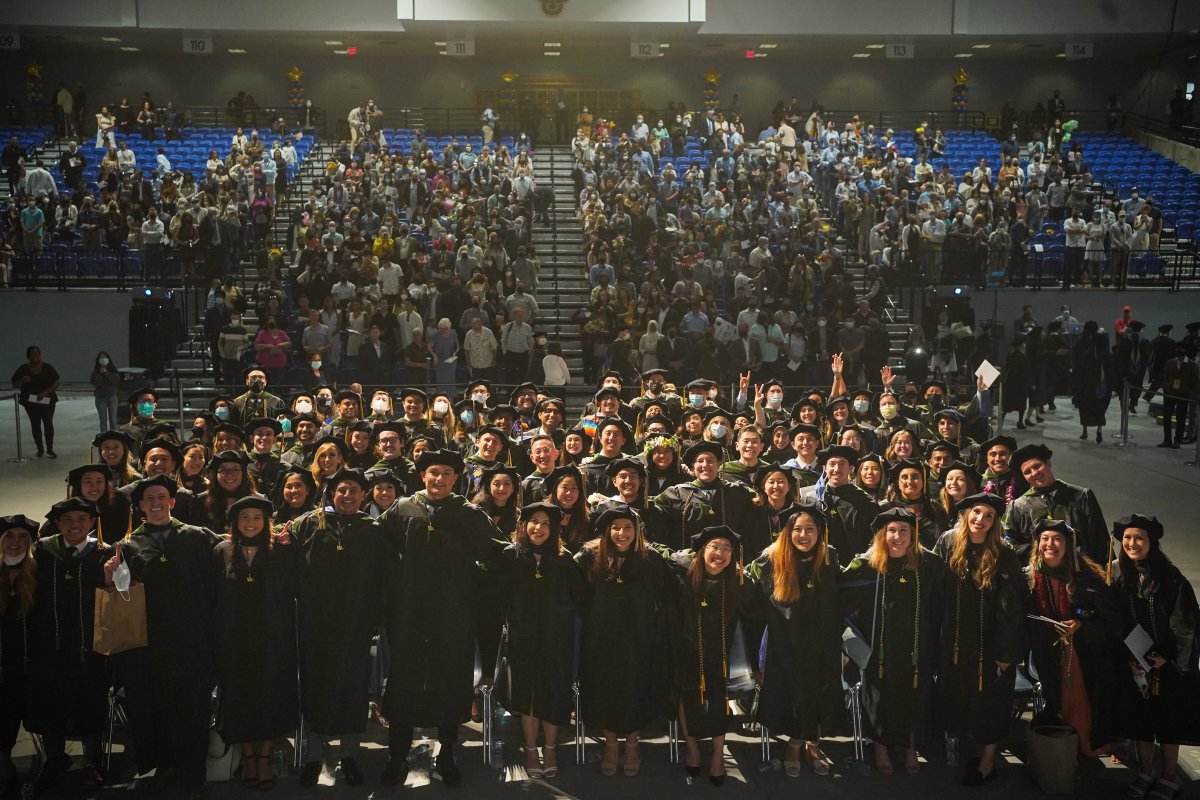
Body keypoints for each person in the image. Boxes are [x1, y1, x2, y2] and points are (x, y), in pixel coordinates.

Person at [376, 450, 506, 788]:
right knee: (404, 682)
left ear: (455, 478)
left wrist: (472, 588)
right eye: (433, 472)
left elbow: (499, 552)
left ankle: (448, 754)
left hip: (453, 615)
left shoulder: (468, 513)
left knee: (451, 682)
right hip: (409, 614)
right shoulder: (402, 509)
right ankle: (396, 757)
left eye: (447, 473)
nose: (439, 479)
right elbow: (379, 551)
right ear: (423, 475)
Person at [102, 475, 220, 799]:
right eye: (148, 499)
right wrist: (112, 579)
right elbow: (124, 597)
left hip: (194, 639)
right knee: (159, 708)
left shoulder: (197, 537)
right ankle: (168, 768)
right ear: (140, 507)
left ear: (172, 502)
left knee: (194, 709)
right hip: (149, 645)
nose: (155, 503)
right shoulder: (128, 546)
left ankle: (195, 774)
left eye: (161, 497)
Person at [289, 468, 385, 788]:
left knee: (351, 690)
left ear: (364, 495)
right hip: (314, 624)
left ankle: (349, 756)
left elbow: (383, 579)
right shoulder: (309, 523)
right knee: (316, 688)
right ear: (332, 493)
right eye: (341, 490)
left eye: (354, 490)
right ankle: (313, 757)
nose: (347, 495)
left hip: (355, 625)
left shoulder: (374, 529)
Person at [841, 507, 945, 776]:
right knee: (878, 696)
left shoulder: (929, 565)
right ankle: (881, 747)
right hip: (878, 647)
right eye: (891, 530)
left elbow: (942, 606)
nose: (897, 536)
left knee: (916, 695)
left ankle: (910, 747)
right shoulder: (866, 566)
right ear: (881, 534)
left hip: (916, 645)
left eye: (904, 530)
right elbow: (841, 602)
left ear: (913, 534)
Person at [575, 505, 673, 777]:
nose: (621, 533)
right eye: (615, 528)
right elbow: (574, 594)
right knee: (604, 689)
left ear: (637, 530)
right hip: (599, 637)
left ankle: (631, 745)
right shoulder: (588, 556)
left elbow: (664, 595)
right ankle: (610, 745)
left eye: (627, 527)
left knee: (634, 689)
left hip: (638, 637)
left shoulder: (650, 558)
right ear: (607, 531)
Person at [933, 493, 1024, 787]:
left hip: (991, 643)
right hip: (956, 642)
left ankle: (987, 762)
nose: (980, 520)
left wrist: (1006, 650)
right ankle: (962, 749)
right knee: (958, 695)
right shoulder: (948, 542)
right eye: (976, 512)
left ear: (995, 521)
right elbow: (933, 586)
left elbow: (1012, 606)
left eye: (988, 516)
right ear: (966, 514)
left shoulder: (1003, 552)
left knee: (991, 702)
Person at [746, 507, 843, 779]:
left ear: (819, 533)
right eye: (798, 529)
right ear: (787, 532)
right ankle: (795, 744)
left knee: (820, 691)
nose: (804, 535)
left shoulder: (829, 556)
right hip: (785, 642)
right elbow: (752, 598)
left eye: (810, 529)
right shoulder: (771, 559)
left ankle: (813, 744)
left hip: (823, 640)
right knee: (795, 692)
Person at [212, 496, 298, 791]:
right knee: (240, 700)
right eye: (244, 517)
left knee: (270, 698)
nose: (251, 523)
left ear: (266, 523)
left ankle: (264, 756)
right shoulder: (222, 551)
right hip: (233, 642)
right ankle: (248, 757)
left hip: (273, 640)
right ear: (235, 522)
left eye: (257, 518)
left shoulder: (281, 553)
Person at [1111, 514, 1200, 800]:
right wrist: (1128, 652)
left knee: (1168, 719)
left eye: (1139, 538)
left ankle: (1170, 774)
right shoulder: (1119, 573)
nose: (1132, 543)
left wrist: (1168, 658)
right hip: (1136, 658)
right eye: (1127, 538)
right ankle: (1146, 770)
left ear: (1152, 542)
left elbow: (1185, 624)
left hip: (1167, 661)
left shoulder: (1171, 579)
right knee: (1141, 716)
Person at [494, 501, 585, 779]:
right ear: (523, 525)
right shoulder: (511, 555)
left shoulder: (564, 558)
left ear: (554, 529)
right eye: (534, 521)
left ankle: (550, 748)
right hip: (522, 637)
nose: (539, 528)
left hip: (557, 638)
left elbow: (580, 598)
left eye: (547, 523)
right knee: (528, 694)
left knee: (554, 693)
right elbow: (498, 597)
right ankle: (531, 749)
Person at [26, 499, 112, 791]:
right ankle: (54, 758)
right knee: (51, 703)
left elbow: (120, 595)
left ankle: (94, 761)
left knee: (90, 701)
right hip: (49, 645)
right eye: (67, 520)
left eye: (81, 519)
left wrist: (115, 578)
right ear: (57, 523)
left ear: (91, 522)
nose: (75, 525)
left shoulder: (104, 553)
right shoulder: (42, 551)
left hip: (90, 647)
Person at [1026, 519, 1121, 758]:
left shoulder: (1083, 575)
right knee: (1054, 693)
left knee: (1078, 697)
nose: (1050, 544)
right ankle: (1060, 745)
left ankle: (1083, 744)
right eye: (1045, 539)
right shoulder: (1030, 575)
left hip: (1080, 648)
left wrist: (1079, 621)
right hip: (1045, 647)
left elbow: (1103, 609)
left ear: (1068, 545)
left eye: (1057, 539)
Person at [1005, 443, 1110, 564]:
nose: (1034, 473)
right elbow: (1010, 545)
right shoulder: (1018, 507)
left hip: (1079, 570)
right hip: (1038, 573)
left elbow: (1099, 539)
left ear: (1048, 463)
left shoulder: (1081, 496)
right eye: (1027, 471)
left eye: (1037, 466)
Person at [0, 515, 38, 795]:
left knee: (16, 705)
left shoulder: (38, 571)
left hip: (28, 660)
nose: (16, 542)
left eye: (22, 536)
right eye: (9, 536)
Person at [10, 345, 60, 458]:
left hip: (47, 400)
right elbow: (14, 384)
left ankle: (50, 449)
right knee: (35, 424)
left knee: (48, 423)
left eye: (37, 355)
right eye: (33, 355)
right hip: (31, 402)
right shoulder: (23, 369)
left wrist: (46, 392)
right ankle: (40, 449)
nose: (35, 358)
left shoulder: (47, 367)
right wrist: (22, 380)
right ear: (28, 357)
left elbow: (56, 382)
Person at [90, 349, 121, 432]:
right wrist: (100, 374)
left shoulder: (113, 370)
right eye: (101, 358)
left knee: (113, 421)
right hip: (100, 398)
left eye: (105, 357)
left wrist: (107, 373)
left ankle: (114, 437)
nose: (103, 359)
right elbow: (95, 383)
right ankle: (104, 439)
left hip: (112, 398)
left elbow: (115, 381)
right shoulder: (96, 371)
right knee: (103, 421)